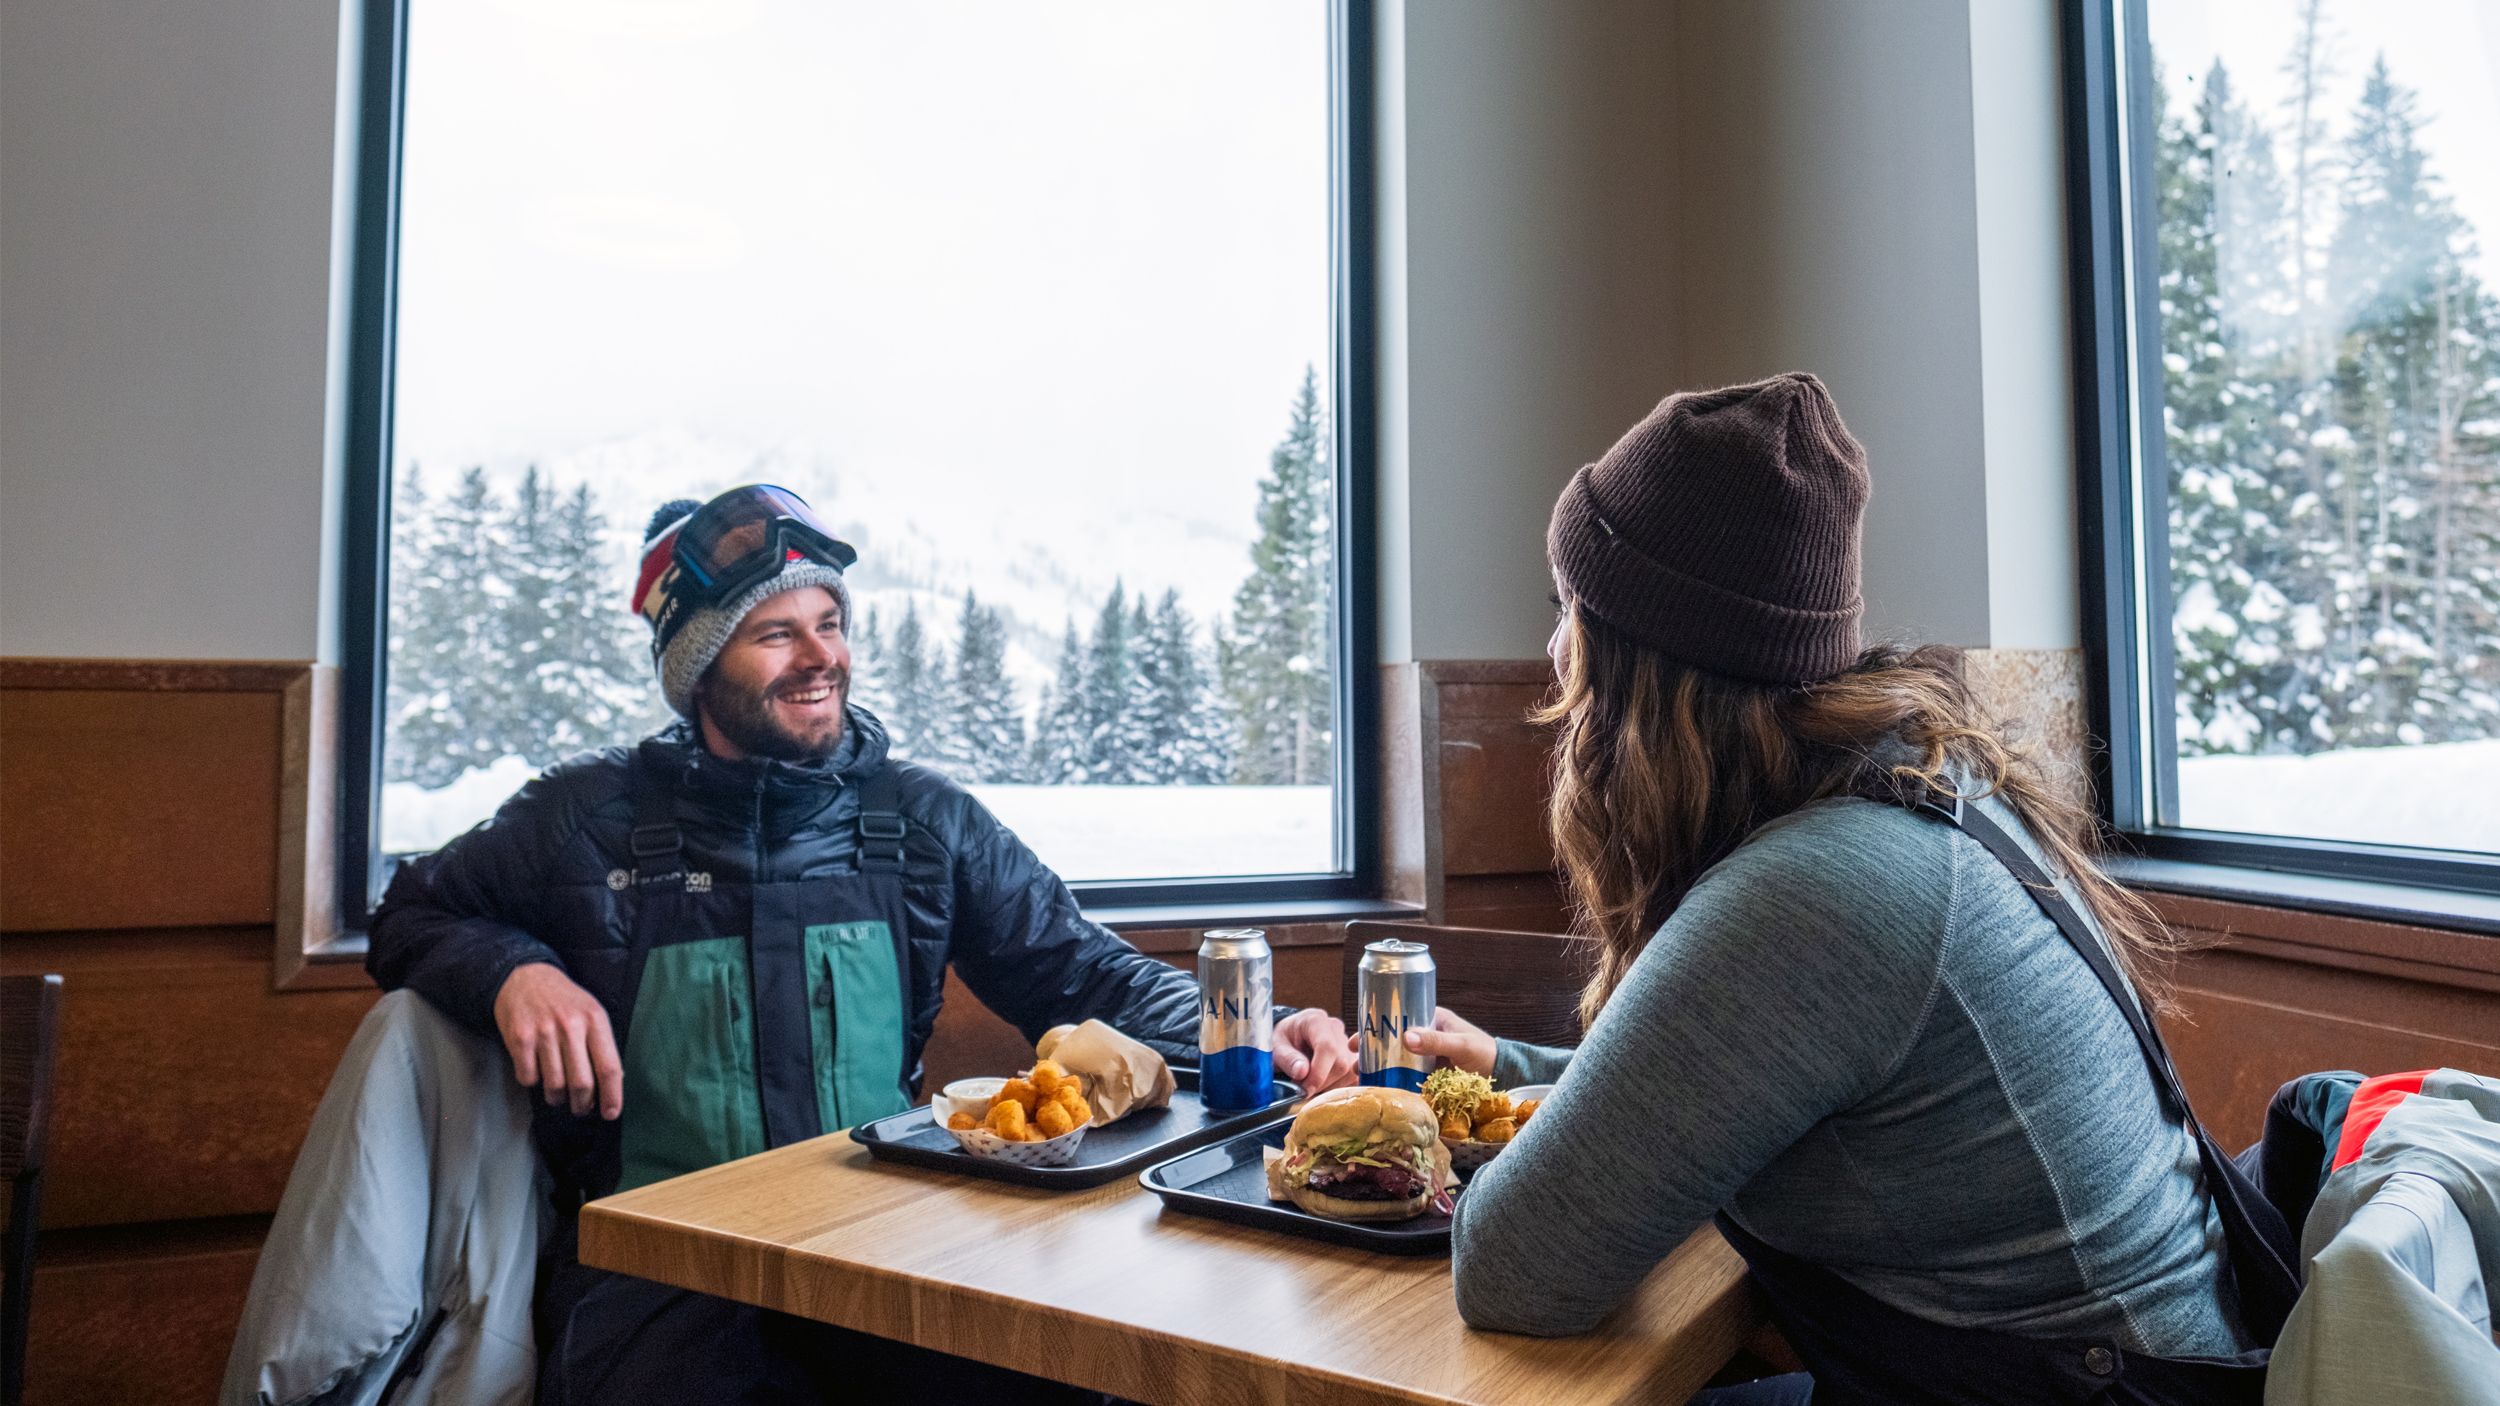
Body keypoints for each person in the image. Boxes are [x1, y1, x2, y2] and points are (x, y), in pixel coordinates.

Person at [368, 484, 1356, 1404]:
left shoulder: (921, 820)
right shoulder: (582, 819)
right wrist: (514, 971)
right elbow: (409, 913)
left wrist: (1251, 1028)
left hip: (887, 1256)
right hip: (656, 1281)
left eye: (830, 624)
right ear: (699, 666)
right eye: (776, 633)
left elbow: (1083, 970)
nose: (820, 656)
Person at [1396, 376, 2271, 1404]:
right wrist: (1511, 1069)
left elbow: (1514, 1269)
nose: (1556, 654)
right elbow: (1749, 1087)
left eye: (1569, 611)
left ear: (1640, 663)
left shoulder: (1816, 896)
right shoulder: (1920, 796)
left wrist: (1428, 1155)